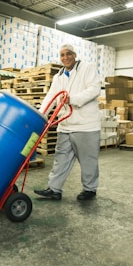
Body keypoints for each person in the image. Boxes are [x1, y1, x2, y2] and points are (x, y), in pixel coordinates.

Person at [34, 44, 101, 201]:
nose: (66, 57)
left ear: (75, 54)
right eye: (62, 55)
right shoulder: (59, 76)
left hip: (86, 125)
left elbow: (94, 89)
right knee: (61, 158)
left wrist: (73, 99)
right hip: (65, 125)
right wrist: (40, 115)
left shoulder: (87, 68)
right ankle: (54, 189)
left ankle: (90, 189)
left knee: (87, 160)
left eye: (68, 54)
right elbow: (51, 96)